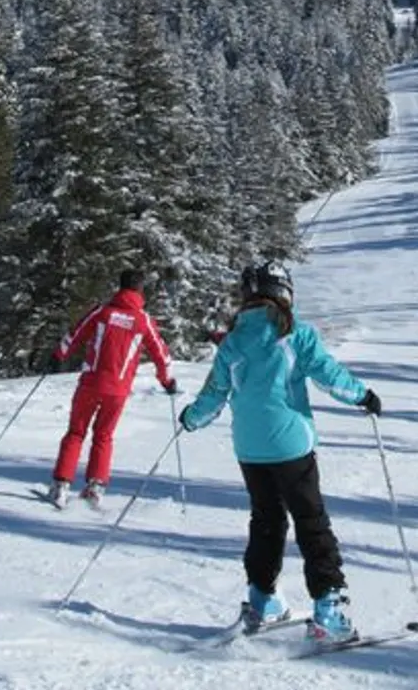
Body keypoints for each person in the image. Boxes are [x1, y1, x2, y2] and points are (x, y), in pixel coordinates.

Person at [179, 260, 383, 643]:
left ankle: (262, 600)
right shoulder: (296, 334)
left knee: (266, 521)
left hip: (250, 450)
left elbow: (212, 396)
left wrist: (190, 418)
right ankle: (327, 607)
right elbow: (329, 375)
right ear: (284, 292)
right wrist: (364, 397)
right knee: (311, 521)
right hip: (291, 445)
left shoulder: (233, 342)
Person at [48, 268, 177, 509]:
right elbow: (160, 353)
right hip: (117, 391)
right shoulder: (143, 320)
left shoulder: (103, 312)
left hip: (90, 383)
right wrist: (167, 381)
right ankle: (96, 487)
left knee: (76, 432)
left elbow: (76, 333)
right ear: (140, 290)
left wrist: (59, 355)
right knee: (104, 435)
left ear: (120, 286)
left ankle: (61, 486)